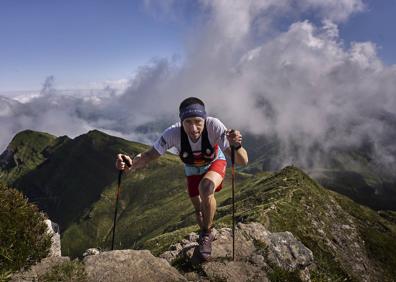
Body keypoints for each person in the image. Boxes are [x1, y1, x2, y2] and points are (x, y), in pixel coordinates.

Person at [115, 97, 248, 261]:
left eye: (198, 121)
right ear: (181, 121)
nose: (193, 128)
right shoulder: (172, 133)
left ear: (205, 119)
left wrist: (237, 145)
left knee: (206, 189)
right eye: (188, 122)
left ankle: (207, 234)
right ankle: (205, 230)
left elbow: (242, 161)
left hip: (215, 162)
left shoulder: (214, 126)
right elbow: (149, 155)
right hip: (191, 168)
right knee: (199, 211)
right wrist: (130, 164)